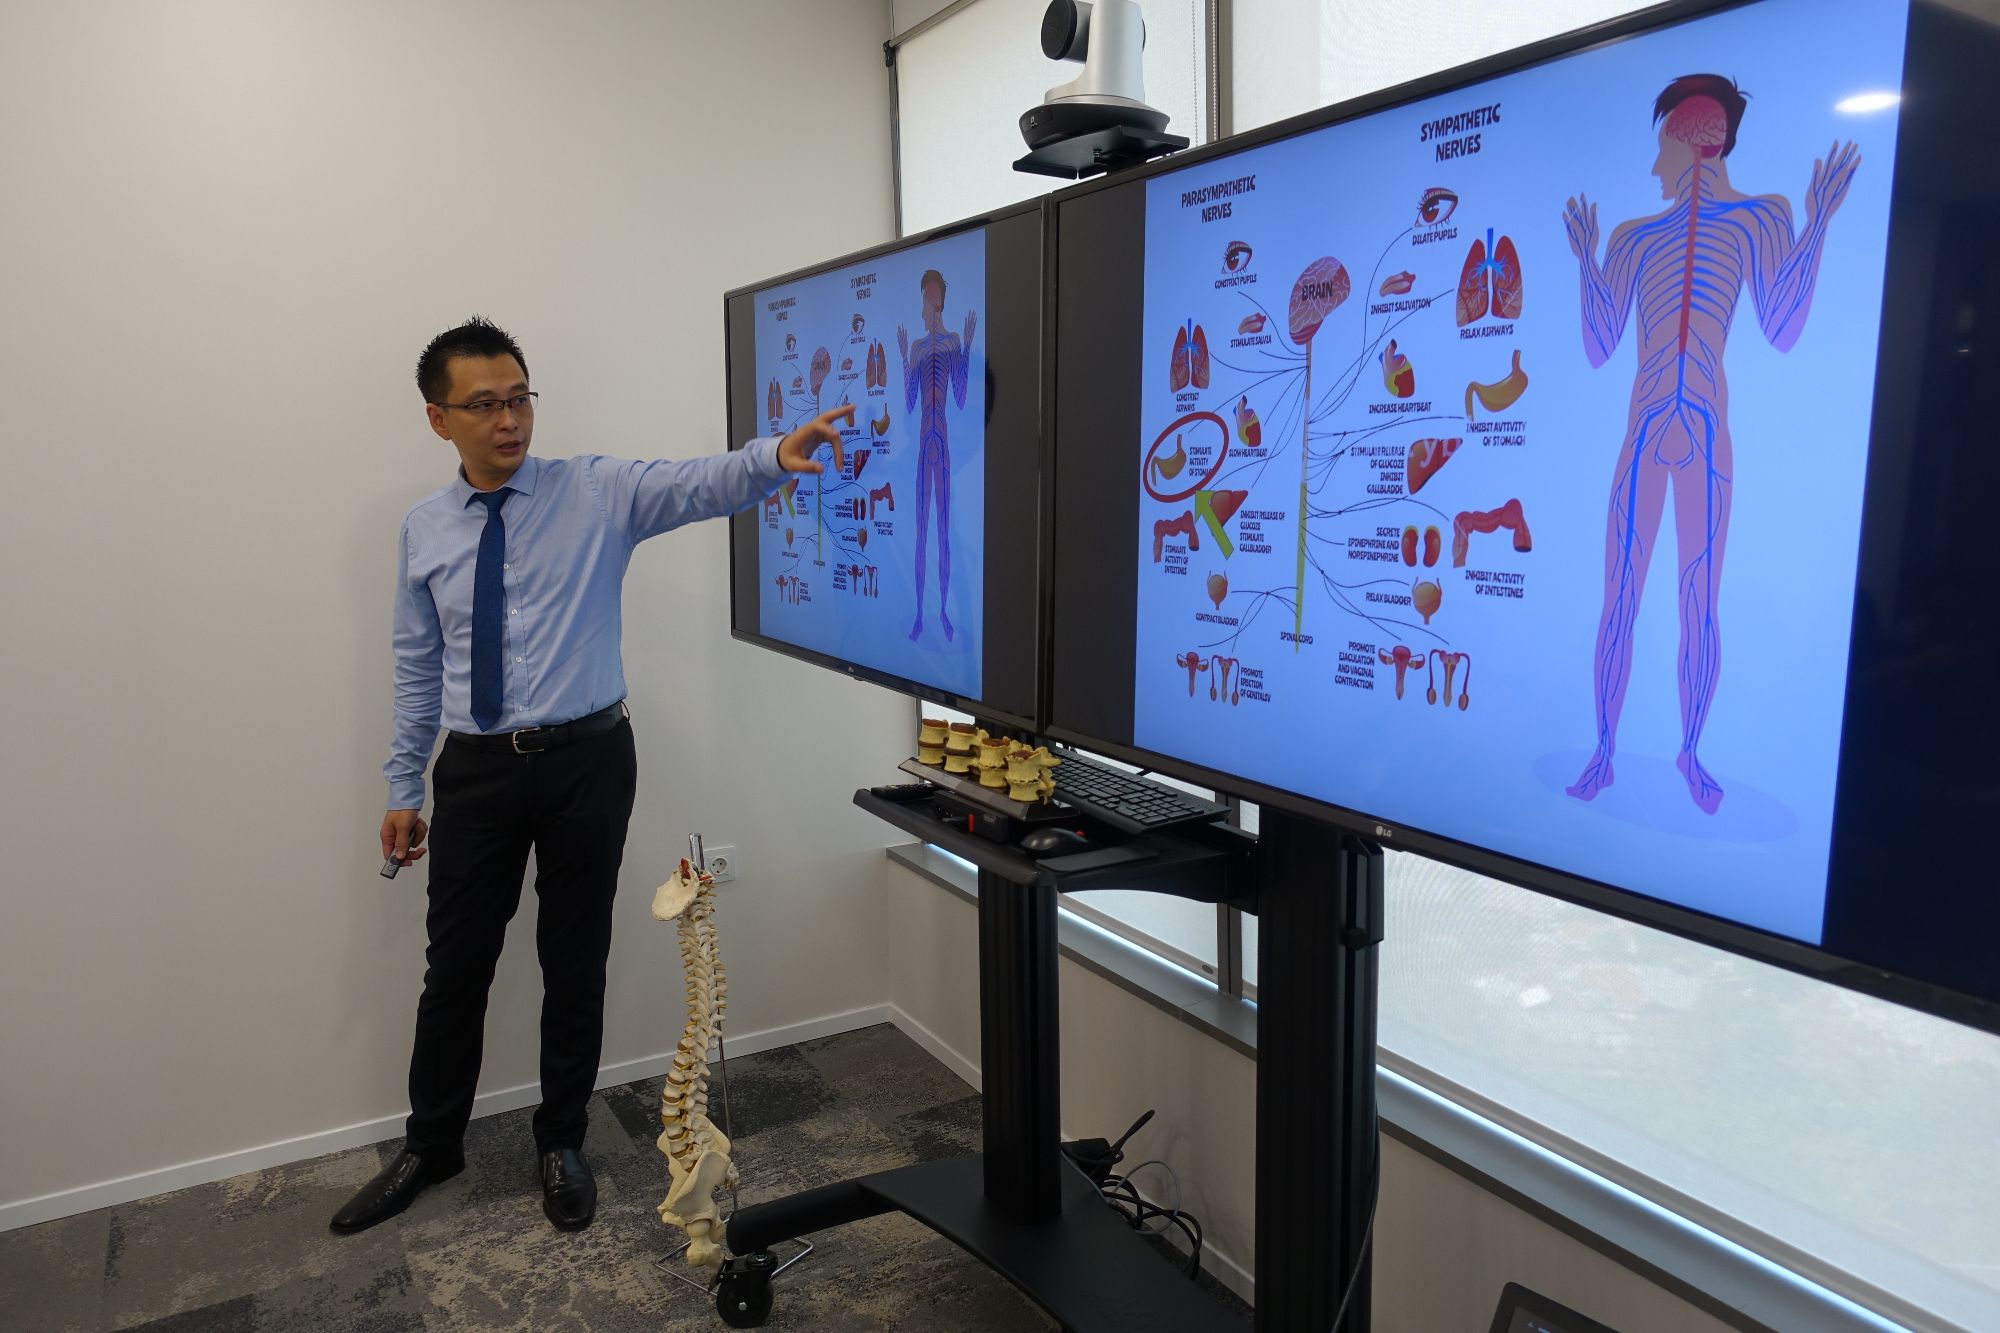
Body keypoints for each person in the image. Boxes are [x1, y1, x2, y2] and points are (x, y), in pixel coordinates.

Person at [331, 318, 850, 1235]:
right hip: (477, 771)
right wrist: (403, 785)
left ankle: (562, 1139)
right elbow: (418, 667)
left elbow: (698, 483)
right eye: (484, 405)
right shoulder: (424, 530)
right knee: (455, 966)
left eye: (519, 398)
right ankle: (431, 1142)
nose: (508, 420)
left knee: (574, 959)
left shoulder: (597, 491)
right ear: (438, 418)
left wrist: (775, 454)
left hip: (588, 761)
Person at [1560, 76, 1857, 813]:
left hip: (1703, 429)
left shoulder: (1761, 218)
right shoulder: (1634, 236)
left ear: (1698, 139)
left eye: (1663, 146)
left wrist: (1819, 222)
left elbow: (1782, 326)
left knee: (1699, 603)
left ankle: (1690, 753)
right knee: (1619, 600)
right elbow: (1598, 344)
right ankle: (1604, 751)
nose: (1653, 165)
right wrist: (1586, 261)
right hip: (1644, 427)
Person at [897, 268, 974, 642]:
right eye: (926, 296)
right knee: (920, 532)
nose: (927, 303)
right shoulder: (915, 348)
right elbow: (910, 402)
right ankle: (918, 613)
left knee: (942, 530)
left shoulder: (952, 342)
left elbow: (960, 396)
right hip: (923, 444)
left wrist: (968, 349)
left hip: (941, 444)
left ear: (936, 300)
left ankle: (942, 612)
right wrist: (903, 359)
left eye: (930, 297)